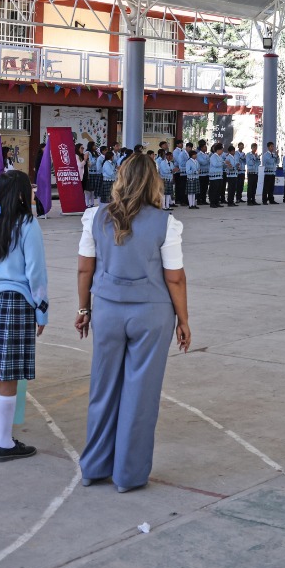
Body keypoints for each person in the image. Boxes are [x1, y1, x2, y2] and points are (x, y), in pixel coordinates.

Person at [77, 153, 191, 491]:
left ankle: (94, 467)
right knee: (140, 395)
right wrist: (183, 320)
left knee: (103, 388)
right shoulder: (165, 223)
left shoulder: (95, 217)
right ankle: (128, 475)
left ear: (120, 179)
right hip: (151, 314)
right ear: (154, 182)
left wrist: (84, 310)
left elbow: (85, 268)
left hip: (108, 311)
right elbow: (175, 279)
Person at [0, 171, 49, 462]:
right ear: (19, 194)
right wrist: (41, 310)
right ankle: (4, 443)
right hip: (16, 303)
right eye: (29, 189)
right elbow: (36, 272)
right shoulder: (28, 224)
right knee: (8, 375)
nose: (32, 192)